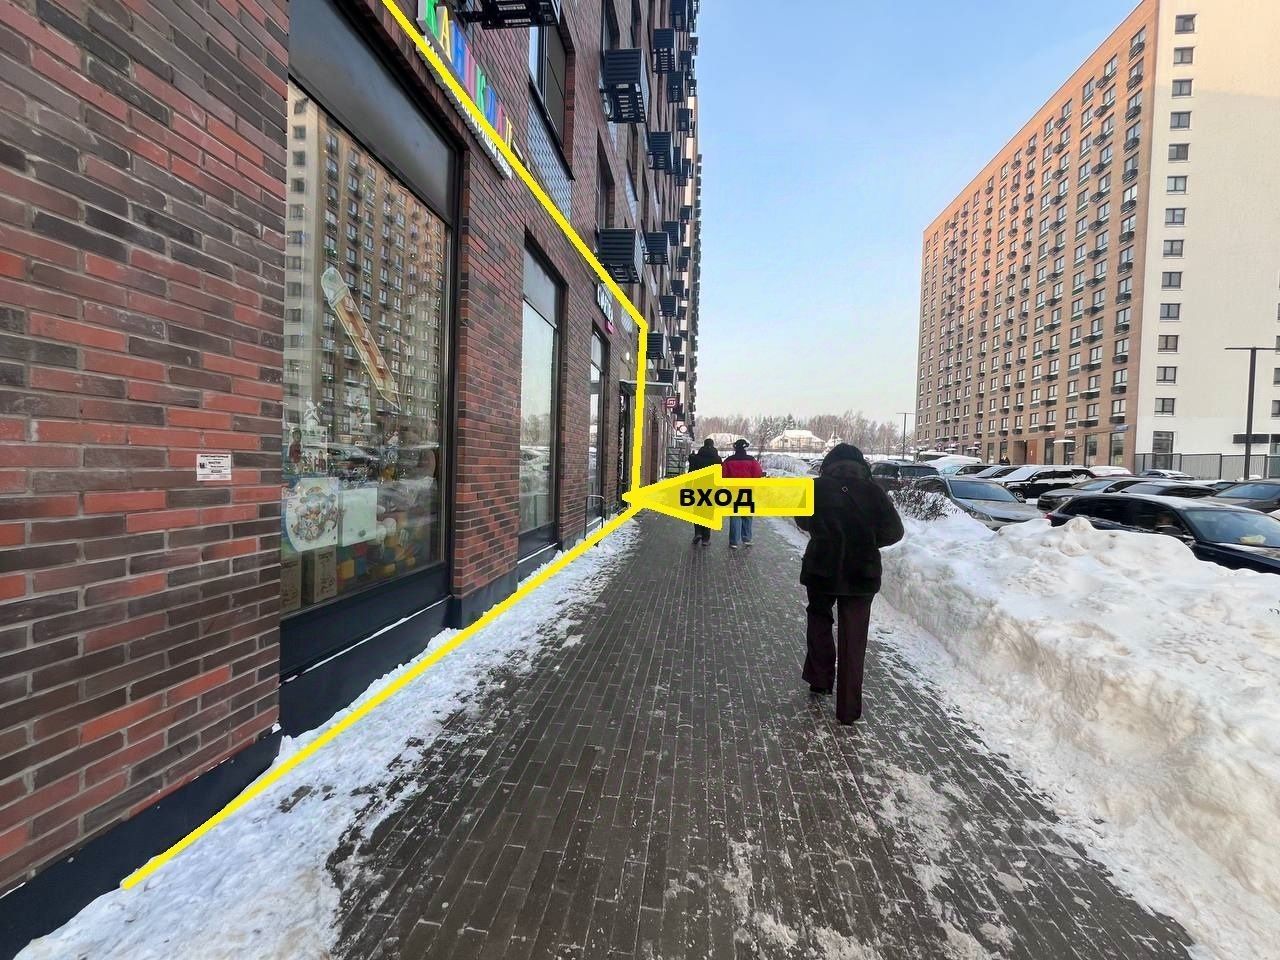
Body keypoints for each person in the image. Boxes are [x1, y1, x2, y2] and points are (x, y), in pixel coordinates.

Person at [796, 443, 904, 724]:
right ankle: (848, 709)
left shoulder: (815, 488)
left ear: (829, 465)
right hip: (861, 572)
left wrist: (824, 530)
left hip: (822, 568)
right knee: (854, 638)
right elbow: (895, 531)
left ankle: (820, 680)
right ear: (862, 466)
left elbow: (803, 521)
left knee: (819, 621)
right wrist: (867, 541)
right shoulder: (874, 492)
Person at [721, 439, 763, 549]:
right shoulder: (752, 460)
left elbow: (723, 475)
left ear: (735, 448)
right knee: (747, 515)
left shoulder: (728, 461)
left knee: (735, 516)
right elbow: (758, 474)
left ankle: (734, 541)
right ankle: (747, 538)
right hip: (748, 491)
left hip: (733, 492)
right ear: (745, 448)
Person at [686, 438, 722, 545]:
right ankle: (706, 539)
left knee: (698, 511)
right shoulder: (717, 459)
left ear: (704, 445)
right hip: (712, 489)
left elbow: (691, 473)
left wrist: (688, 486)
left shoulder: (697, 458)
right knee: (708, 513)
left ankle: (698, 533)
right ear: (713, 445)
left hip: (698, 488)